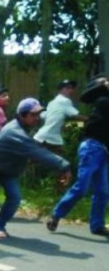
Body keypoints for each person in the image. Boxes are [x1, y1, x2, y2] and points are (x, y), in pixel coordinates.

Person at [0, 98, 72, 239]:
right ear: (22, 115)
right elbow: (36, 152)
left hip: (7, 169)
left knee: (15, 198)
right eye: (33, 115)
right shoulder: (15, 132)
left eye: (38, 114)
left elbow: (34, 149)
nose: (37, 118)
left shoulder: (24, 128)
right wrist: (64, 166)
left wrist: (50, 151)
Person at [46, 76, 109, 236]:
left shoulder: (102, 104)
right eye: (105, 81)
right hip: (92, 149)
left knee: (102, 191)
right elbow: (78, 122)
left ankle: (97, 225)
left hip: (102, 150)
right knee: (82, 187)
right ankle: (56, 214)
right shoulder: (103, 101)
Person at [34, 79, 87, 154]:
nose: (71, 90)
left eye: (72, 88)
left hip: (40, 136)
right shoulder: (64, 101)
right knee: (59, 162)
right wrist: (91, 119)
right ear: (61, 90)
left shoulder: (52, 103)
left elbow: (61, 124)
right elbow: (75, 116)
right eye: (67, 88)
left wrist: (81, 125)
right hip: (50, 138)